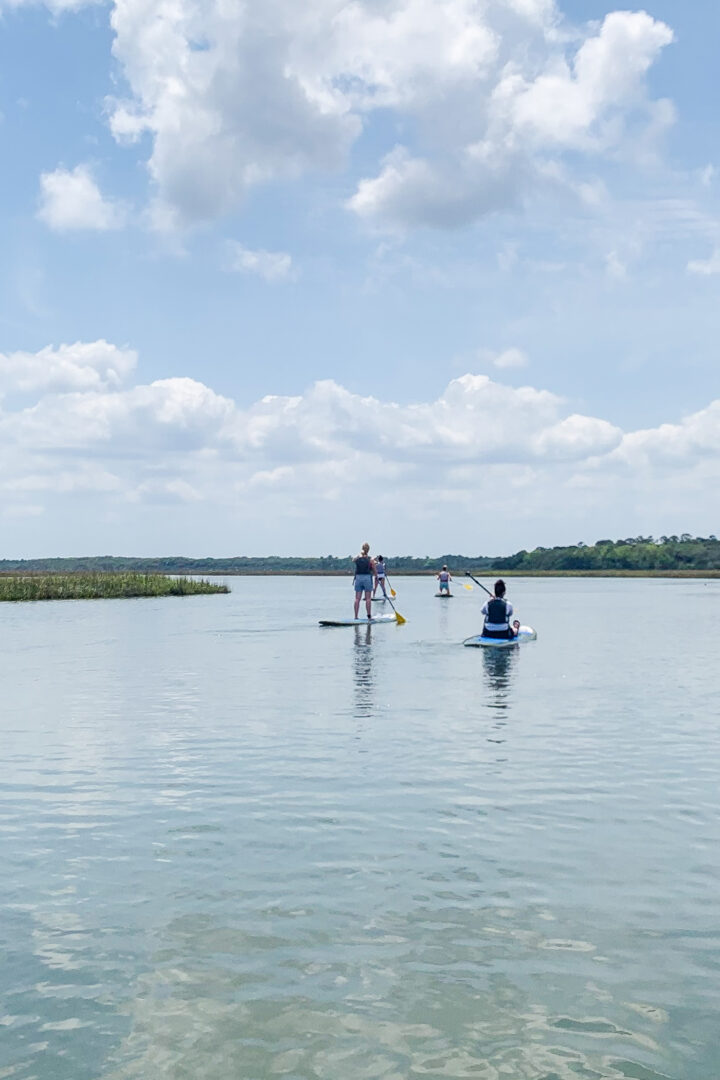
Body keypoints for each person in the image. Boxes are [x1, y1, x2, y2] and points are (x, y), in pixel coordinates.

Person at [353, 543, 375, 619]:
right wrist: (377, 576)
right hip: (367, 578)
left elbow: (353, 560)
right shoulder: (370, 559)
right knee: (368, 598)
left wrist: (360, 555)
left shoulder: (357, 558)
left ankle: (356, 616)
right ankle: (369, 616)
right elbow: (374, 569)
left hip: (358, 578)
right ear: (368, 550)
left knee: (357, 598)